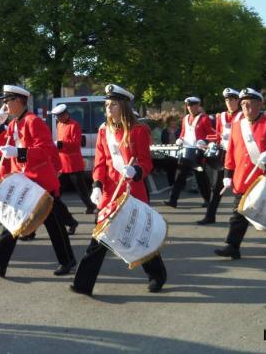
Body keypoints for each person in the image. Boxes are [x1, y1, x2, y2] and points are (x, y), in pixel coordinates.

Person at [70, 84, 167, 296]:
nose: (108, 109)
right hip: (109, 194)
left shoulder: (138, 130)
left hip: (132, 192)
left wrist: (136, 170)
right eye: (106, 105)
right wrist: (96, 185)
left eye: (112, 104)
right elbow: (100, 162)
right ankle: (83, 283)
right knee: (99, 238)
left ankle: (157, 274)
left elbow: (146, 162)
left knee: (139, 236)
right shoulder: (104, 130)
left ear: (123, 106)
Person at [0, 85, 76, 278]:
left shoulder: (33, 121)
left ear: (19, 101)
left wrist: (20, 152)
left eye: (7, 101)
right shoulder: (14, 124)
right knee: (12, 222)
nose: (4, 105)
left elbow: (46, 151)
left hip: (41, 183)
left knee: (54, 225)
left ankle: (68, 260)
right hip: (25, 182)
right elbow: (2, 147)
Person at [214, 88, 266, 258]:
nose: (246, 108)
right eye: (243, 104)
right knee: (238, 214)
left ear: (259, 104)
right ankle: (233, 247)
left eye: (250, 104)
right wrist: (227, 175)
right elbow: (231, 152)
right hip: (243, 178)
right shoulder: (236, 126)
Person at [196, 88, 242, 225]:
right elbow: (217, 136)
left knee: (243, 187)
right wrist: (205, 141)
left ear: (238, 101)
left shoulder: (242, 116)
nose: (229, 102)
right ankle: (210, 216)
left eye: (232, 99)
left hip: (239, 155)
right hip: (223, 155)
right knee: (216, 187)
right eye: (227, 100)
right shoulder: (220, 116)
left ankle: (253, 215)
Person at [164, 97, 213, 208]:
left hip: (198, 152)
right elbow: (183, 132)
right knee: (180, 176)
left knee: (201, 177)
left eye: (193, 105)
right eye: (188, 105)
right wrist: (180, 139)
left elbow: (212, 134)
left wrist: (204, 141)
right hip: (186, 151)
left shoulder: (204, 118)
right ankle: (173, 200)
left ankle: (207, 199)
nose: (190, 108)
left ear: (198, 106)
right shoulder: (185, 118)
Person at [52, 103, 95, 219]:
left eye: (60, 116)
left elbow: (76, 144)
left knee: (80, 188)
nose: (59, 119)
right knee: (58, 187)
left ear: (66, 114)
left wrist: (61, 144)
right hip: (63, 163)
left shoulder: (74, 125)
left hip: (74, 163)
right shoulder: (59, 124)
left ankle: (90, 205)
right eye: (57, 117)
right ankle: (54, 205)